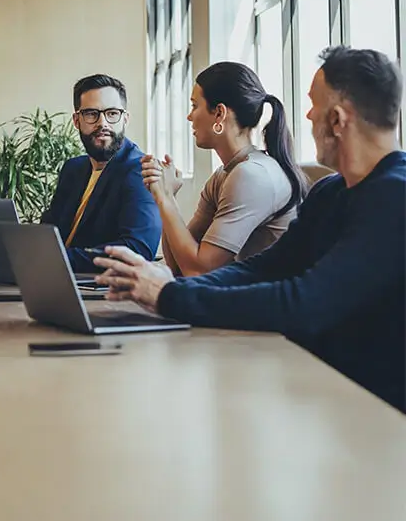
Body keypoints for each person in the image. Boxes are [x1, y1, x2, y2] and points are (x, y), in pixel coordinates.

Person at [95, 46, 406, 412]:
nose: (306, 114)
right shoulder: (331, 192)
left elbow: (305, 302)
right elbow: (263, 268)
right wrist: (169, 288)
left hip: (375, 413)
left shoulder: (395, 196)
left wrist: (170, 296)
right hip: (319, 387)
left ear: (337, 120)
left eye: (313, 105)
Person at [141, 62, 306, 277]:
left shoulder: (252, 175)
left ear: (219, 113)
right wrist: (166, 196)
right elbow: (178, 267)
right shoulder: (225, 174)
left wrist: (165, 199)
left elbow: (197, 271)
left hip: (270, 304)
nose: (189, 117)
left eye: (194, 106)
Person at [40, 74, 161, 272]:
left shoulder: (140, 171)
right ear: (77, 120)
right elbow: (49, 231)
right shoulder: (73, 169)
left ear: (125, 119)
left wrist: (57, 258)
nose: (102, 123)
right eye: (91, 114)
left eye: (112, 113)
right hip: (55, 279)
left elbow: (138, 249)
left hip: (103, 292)